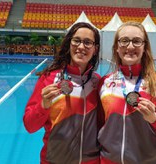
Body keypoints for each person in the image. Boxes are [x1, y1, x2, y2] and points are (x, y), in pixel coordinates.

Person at [98, 21, 156, 164]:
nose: (130, 46)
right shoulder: (105, 82)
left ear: (145, 47)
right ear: (116, 47)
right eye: (124, 41)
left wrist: (155, 118)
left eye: (137, 41)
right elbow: (98, 125)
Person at [23, 22, 101, 164]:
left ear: (95, 49)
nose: (81, 46)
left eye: (88, 42)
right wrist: (43, 105)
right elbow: (30, 126)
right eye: (76, 40)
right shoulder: (49, 78)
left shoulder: (99, 83)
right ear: (69, 43)